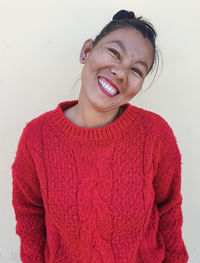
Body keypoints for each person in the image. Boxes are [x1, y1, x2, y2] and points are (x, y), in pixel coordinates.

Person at [11, 9, 189, 263]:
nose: (120, 72)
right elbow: (29, 213)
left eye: (137, 70)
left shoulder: (156, 134)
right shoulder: (37, 137)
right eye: (114, 53)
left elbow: (169, 212)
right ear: (86, 51)